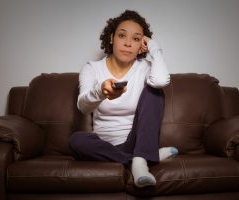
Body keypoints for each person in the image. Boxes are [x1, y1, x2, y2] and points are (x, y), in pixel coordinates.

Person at [69, 10, 178, 188]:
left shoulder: (145, 68)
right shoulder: (92, 68)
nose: (128, 43)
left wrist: (154, 47)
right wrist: (101, 92)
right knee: (76, 141)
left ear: (142, 45)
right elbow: (83, 106)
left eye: (136, 39)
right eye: (122, 36)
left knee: (155, 91)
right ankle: (144, 159)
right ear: (112, 38)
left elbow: (161, 81)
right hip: (104, 148)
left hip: (137, 140)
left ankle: (141, 158)